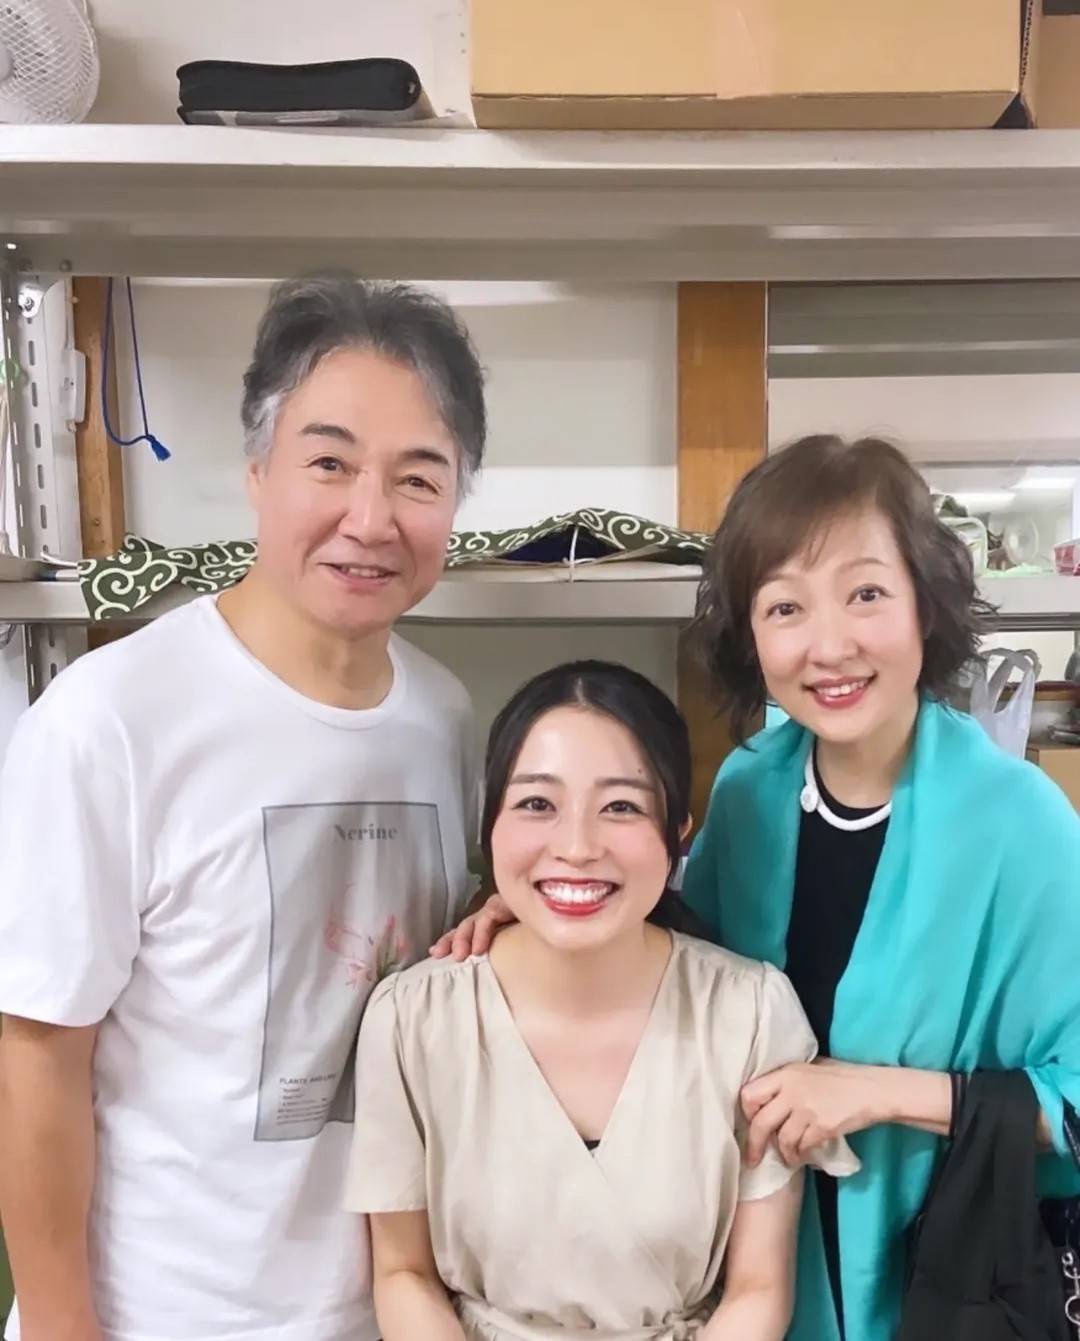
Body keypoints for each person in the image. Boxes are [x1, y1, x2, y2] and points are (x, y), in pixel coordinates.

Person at [435, 436, 1080, 1341]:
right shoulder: (750, 790)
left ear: (924, 604)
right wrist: (541, 907)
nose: (830, 645)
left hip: (945, 1292)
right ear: (750, 634)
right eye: (785, 606)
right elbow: (685, 964)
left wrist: (882, 1092)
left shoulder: (1021, 823)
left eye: (866, 593)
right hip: (752, 1280)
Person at [0, 275, 486, 1341]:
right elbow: (36, 1056)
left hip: (382, 1310)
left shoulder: (444, 719)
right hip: (160, 1315)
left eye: (418, 478)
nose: (371, 518)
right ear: (257, 470)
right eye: (330, 463)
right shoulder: (110, 720)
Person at [348, 660, 857, 1341]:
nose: (577, 847)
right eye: (537, 804)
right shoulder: (411, 1018)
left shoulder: (751, 1012)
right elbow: (403, 1272)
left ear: (679, 829)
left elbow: (759, 1289)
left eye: (621, 806)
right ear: (488, 823)